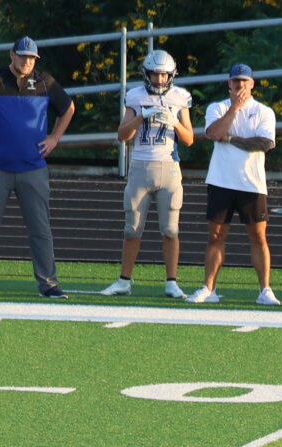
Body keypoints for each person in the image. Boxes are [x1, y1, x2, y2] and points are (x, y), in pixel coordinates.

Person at [0, 39, 72, 301]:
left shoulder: (45, 82)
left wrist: (54, 138)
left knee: (40, 229)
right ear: (11, 54)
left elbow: (68, 108)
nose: (27, 61)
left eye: (32, 57)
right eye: (23, 56)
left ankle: (48, 284)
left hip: (33, 168)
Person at [106, 50, 191, 300]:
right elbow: (123, 136)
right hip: (140, 167)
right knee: (132, 228)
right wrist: (141, 117)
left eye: (164, 75)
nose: (160, 80)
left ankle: (172, 282)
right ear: (147, 74)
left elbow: (189, 139)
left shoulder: (180, 97)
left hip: (169, 168)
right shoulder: (135, 96)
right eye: (155, 74)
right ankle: (124, 281)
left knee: (170, 229)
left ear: (171, 75)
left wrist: (174, 122)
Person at [192, 66, 276, 307]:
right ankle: (209, 288)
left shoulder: (263, 111)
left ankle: (265, 290)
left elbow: (264, 143)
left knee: (258, 236)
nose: (240, 85)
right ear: (229, 84)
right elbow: (214, 133)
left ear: (252, 84)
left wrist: (231, 138)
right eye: (236, 81)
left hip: (251, 182)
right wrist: (234, 109)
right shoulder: (217, 108)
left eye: (244, 81)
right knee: (215, 235)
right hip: (221, 180)